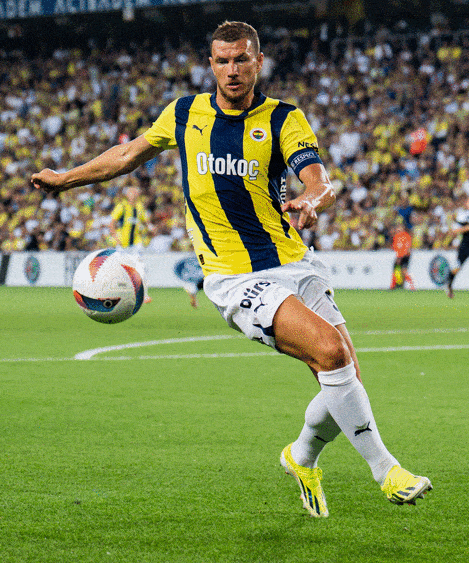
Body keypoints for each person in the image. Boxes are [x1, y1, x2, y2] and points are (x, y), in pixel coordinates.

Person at [30, 21, 431, 516]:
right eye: (223, 61)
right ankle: (386, 470)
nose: (232, 70)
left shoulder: (283, 119)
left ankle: (301, 456)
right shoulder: (185, 113)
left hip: (294, 262)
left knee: (344, 371)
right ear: (211, 64)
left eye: (242, 59)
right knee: (330, 352)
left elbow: (318, 179)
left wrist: (312, 199)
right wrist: (65, 179)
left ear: (258, 62)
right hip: (234, 277)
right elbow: (128, 154)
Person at [109, 185, 153, 303]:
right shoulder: (122, 206)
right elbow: (112, 223)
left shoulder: (139, 207)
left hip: (136, 244)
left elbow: (146, 221)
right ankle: (115, 294)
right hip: (122, 244)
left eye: (135, 192)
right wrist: (115, 236)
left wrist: (150, 227)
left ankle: (144, 295)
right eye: (131, 192)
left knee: (142, 267)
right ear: (127, 195)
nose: (133, 194)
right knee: (119, 270)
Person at [389, 219, 415, 290]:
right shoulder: (396, 236)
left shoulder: (406, 236)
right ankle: (393, 286)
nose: (398, 229)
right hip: (399, 256)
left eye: (399, 227)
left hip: (405, 256)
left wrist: (401, 257)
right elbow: (395, 247)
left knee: (404, 271)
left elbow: (407, 248)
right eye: (397, 227)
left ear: (403, 228)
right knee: (395, 270)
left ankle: (411, 285)